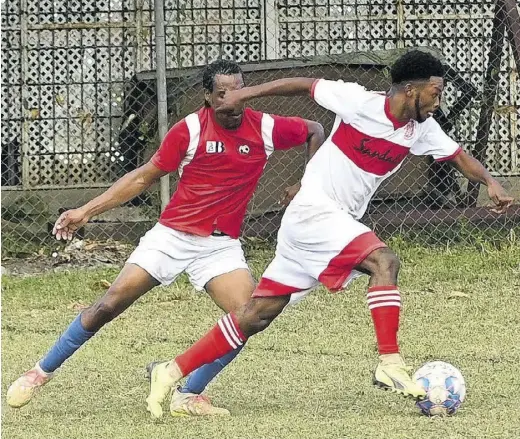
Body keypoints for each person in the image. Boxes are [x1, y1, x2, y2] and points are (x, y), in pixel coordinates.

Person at [145, 49, 515, 418]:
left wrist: (491, 183)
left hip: (323, 226)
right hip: (315, 212)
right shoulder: (358, 101)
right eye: (435, 93)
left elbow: (458, 156)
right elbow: (301, 85)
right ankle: (389, 361)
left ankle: (172, 372)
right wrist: (245, 93)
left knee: (256, 314)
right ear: (410, 90)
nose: (439, 101)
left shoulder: (422, 130)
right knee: (384, 260)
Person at [6, 60, 325, 417]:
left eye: (239, 92)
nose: (233, 102)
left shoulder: (265, 127)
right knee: (109, 304)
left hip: (219, 246)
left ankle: (188, 394)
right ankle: (40, 372)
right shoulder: (188, 130)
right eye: (223, 95)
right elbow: (143, 178)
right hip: (172, 236)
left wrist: (305, 183)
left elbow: (314, 129)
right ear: (207, 97)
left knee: (248, 317)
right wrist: (86, 212)